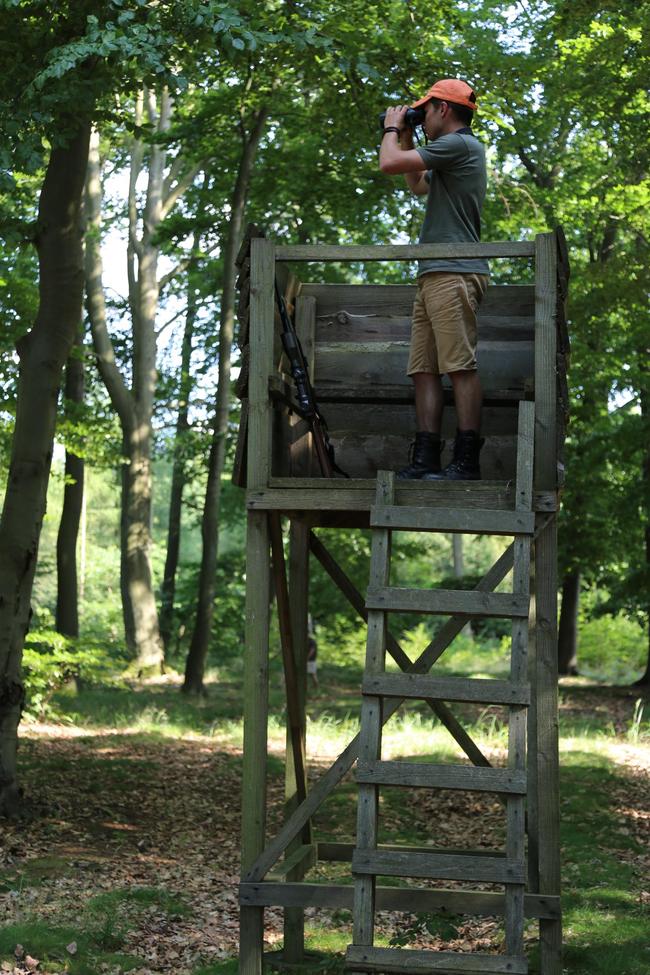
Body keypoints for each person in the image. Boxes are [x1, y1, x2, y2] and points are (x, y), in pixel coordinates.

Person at [379, 79, 490, 480]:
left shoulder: (462, 144)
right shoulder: (449, 153)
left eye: (424, 111)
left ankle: (466, 461)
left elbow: (389, 164)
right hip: (434, 272)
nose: (420, 118)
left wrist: (393, 130)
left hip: (454, 271)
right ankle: (425, 457)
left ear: (444, 109)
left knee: (459, 366)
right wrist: (408, 138)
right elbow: (417, 184)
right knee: (424, 368)